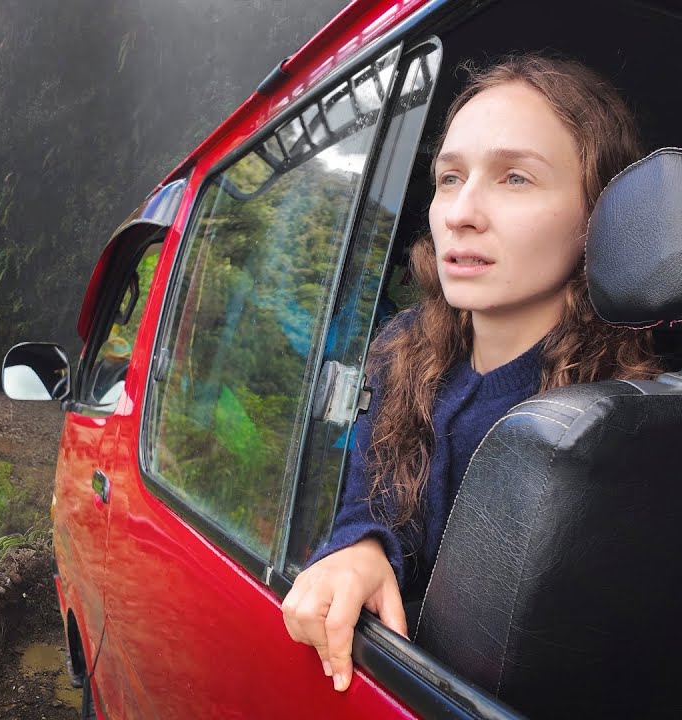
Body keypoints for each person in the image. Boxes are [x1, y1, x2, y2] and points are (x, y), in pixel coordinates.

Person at [281, 54, 662, 693]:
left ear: (602, 213)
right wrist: (362, 549)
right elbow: (365, 502)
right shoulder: (402, 351)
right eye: (449, 177)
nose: (461, 212)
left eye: (514, 178)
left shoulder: (620, 432)